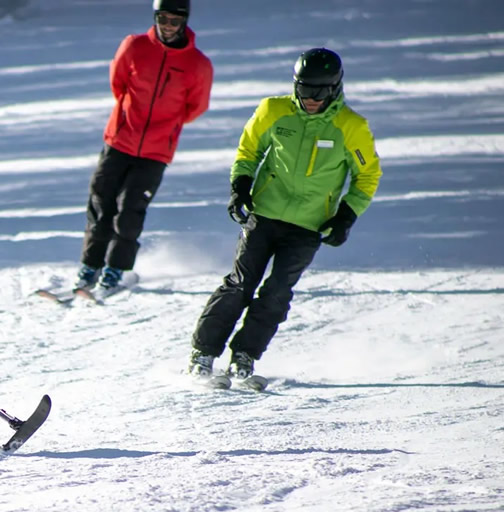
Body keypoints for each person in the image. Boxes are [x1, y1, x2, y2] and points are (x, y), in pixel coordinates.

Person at [188, 48, 383, 380]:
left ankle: (245, 356)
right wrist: (241, 187)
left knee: (277, 292)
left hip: (309, 226)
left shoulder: (351, 127)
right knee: (240, 284)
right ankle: (202, 354)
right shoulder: (273, 110)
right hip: (264, 215)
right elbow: (249, 150)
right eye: (303, 88)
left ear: (335, 88)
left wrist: (346, 216)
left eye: (318, 91)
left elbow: (367, 175)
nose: (309, 98)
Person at [74, 0, 213, 296]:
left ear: (185, 22)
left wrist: (167, 125)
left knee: (130, 211)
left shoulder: (198, 64)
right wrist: (129, 117)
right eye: (163, 19)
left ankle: (115, 270)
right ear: (156, 17)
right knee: (101, 202)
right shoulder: (134, 46)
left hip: (155, 151)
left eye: (175, 21)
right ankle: (90, 266)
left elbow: (195, 107)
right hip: (119, 140)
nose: (169, 26)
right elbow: (118, 83)